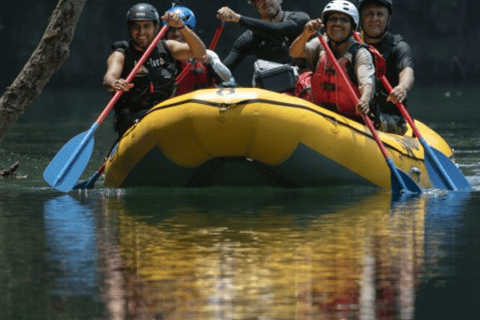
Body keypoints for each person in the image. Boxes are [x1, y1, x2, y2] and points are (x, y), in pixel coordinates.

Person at [102, 3, 206, 135]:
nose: (141, 32)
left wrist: (181, 26)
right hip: (134, 124)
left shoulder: (167, 48)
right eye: (136, 26)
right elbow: (108, 79)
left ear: (156, 27)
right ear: (129, 28)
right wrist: (114, 83)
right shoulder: (121, 54)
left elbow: (200, 53)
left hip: (166, 117)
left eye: (147, 26)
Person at [289, 0, 376, 122]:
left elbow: (366, 81)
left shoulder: (360, 53)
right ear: (326, 23)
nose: (337, 24)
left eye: (344, 20)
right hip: (318, 112)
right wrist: (306, 33)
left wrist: (365, 99)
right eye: (332, 19)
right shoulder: (320, 44)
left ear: (353, 26)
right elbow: (294, 52)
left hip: (350, 119)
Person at [359, 0, 413, 135]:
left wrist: (403, 87)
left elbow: (407, 70)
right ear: (361, 18)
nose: (374, 19)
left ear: (388, 19)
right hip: (355, 109)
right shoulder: (351, 43)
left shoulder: (398, 47)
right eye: (369, 14)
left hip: (388, 116)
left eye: (380, 14)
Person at [216, 0, 310, 74]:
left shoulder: (300, 19)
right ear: (254, 6)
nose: (265, 1)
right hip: (272, 93)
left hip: (304, 90)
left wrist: (237, 18)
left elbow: (277, 30)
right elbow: (222, 72)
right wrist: (209, 61)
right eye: (258, 0)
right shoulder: (248, 38)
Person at [164, 6, 234, 96]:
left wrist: (210, 62)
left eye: (182, 28)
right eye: (172, 29)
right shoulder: (160, 56)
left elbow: (227, 78)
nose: (177, 34)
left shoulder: (207, 54)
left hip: (203, 107)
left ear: (192, 32)